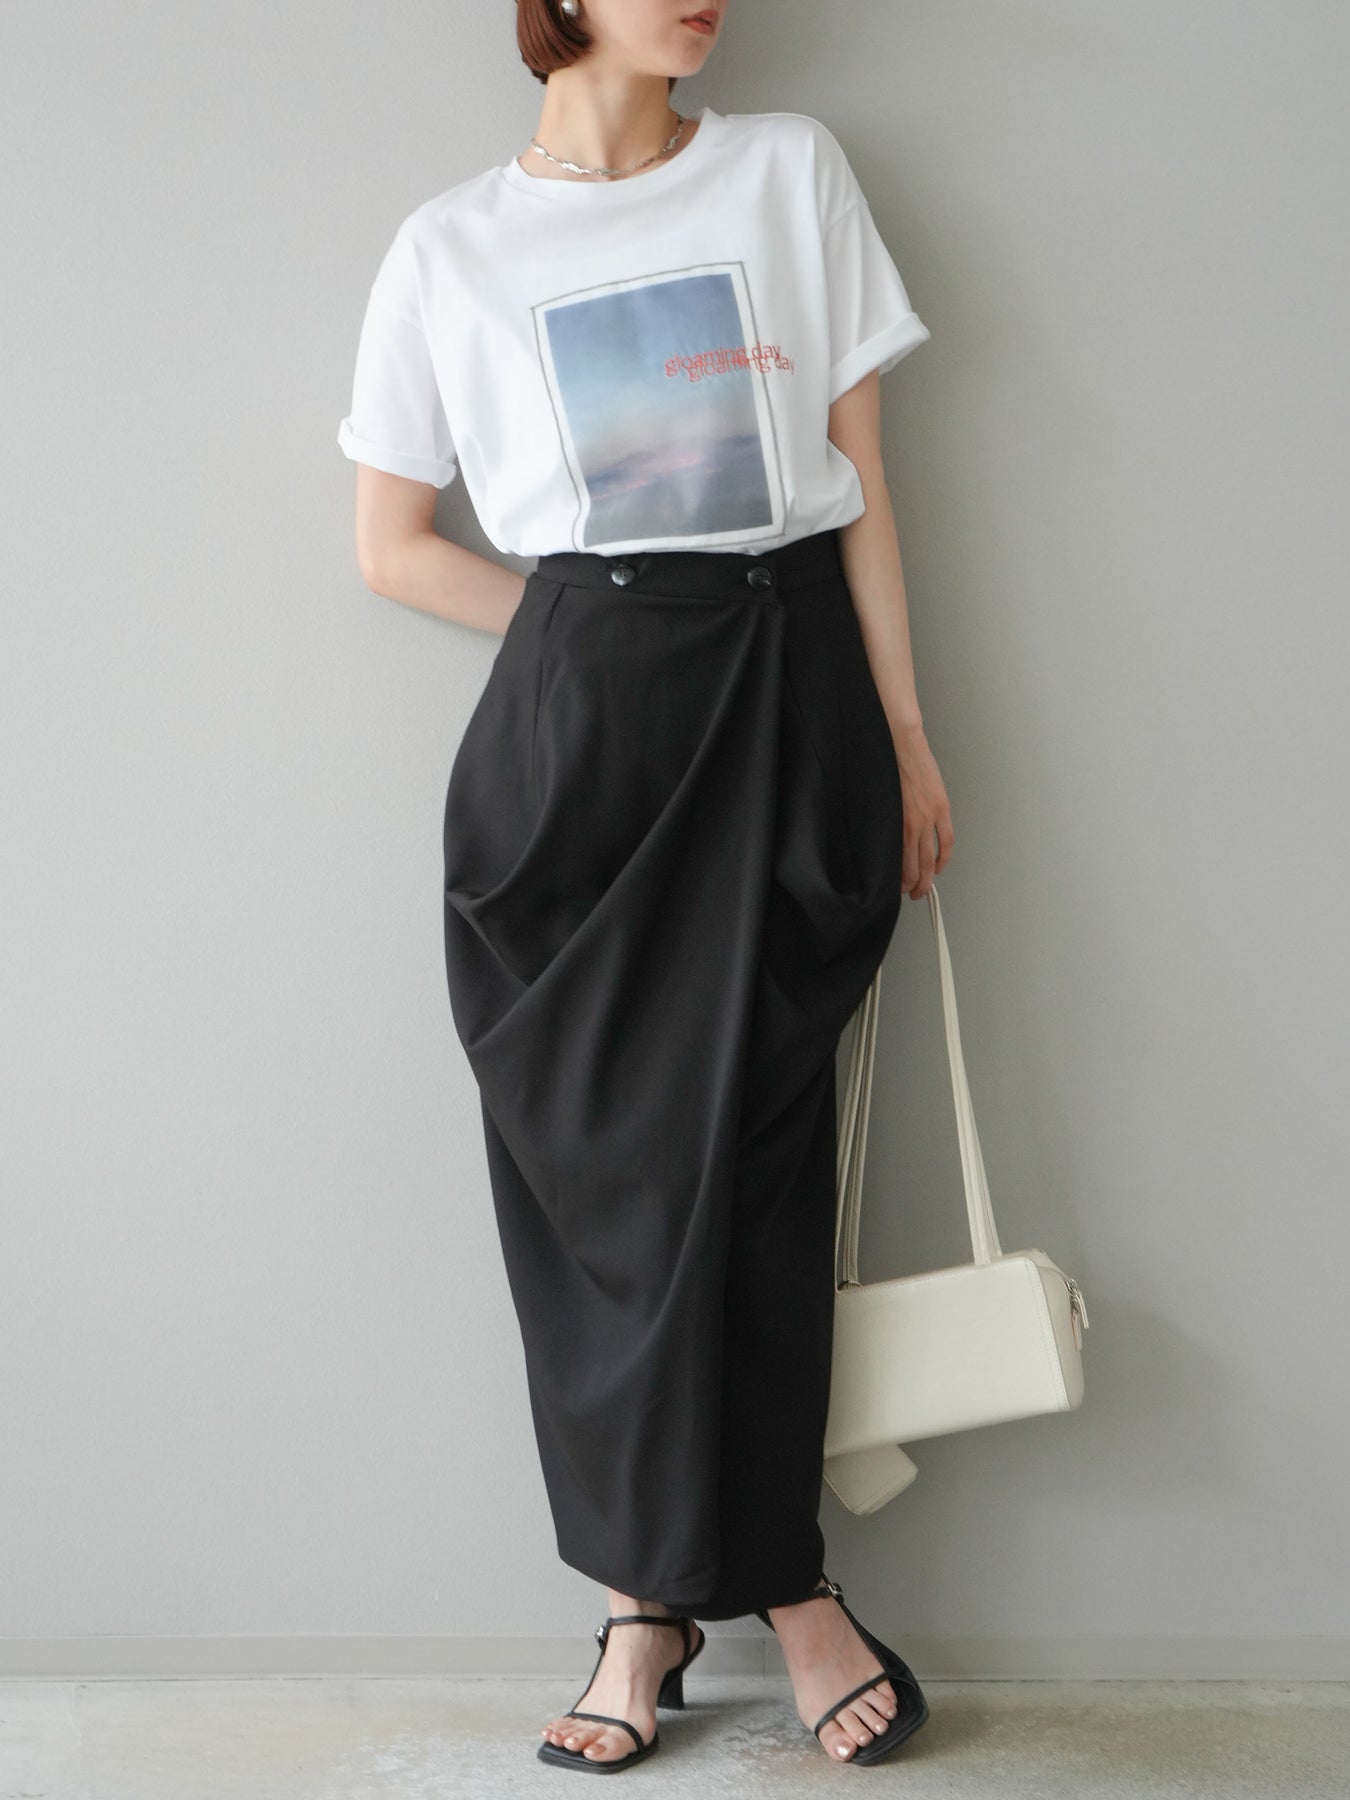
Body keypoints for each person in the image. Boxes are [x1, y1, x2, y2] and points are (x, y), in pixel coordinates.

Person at [337, 0, 954, 1773]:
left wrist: (906, 731)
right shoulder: (449, 247)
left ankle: (761, 1589)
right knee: (601, 1196)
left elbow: (861, 485)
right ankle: (650, 1605)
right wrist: (585, 640)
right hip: (582, 740)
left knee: (753, 1166)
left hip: (786, 698)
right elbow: (390, 547)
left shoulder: (787, 170)